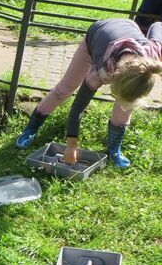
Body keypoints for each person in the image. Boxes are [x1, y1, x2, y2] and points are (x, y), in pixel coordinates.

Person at [15, 18, 162, 168]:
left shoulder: (153, 56)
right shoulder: (100, 72)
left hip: (128, 36)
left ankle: (114, 149)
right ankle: (31, 128)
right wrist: (72, 146)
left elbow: (158, 25)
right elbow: (78, 107)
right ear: (113, 78)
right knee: (65, 88)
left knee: (125, 105)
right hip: (97, 34)